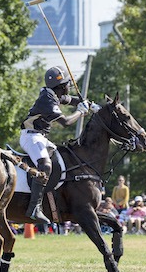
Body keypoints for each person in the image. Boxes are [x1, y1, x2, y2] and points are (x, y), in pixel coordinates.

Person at [19, 65, 100, 223]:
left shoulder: (54, 95)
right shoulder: (47, 100)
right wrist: (81, 111)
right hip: (31, 137)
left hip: (40, 137)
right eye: (68, 83)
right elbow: (66, 122)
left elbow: (73, 100)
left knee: (63, 161)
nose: (70, 86)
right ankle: (34, 208)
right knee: (45, 166)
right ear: (62, 86)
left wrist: (89, 105)